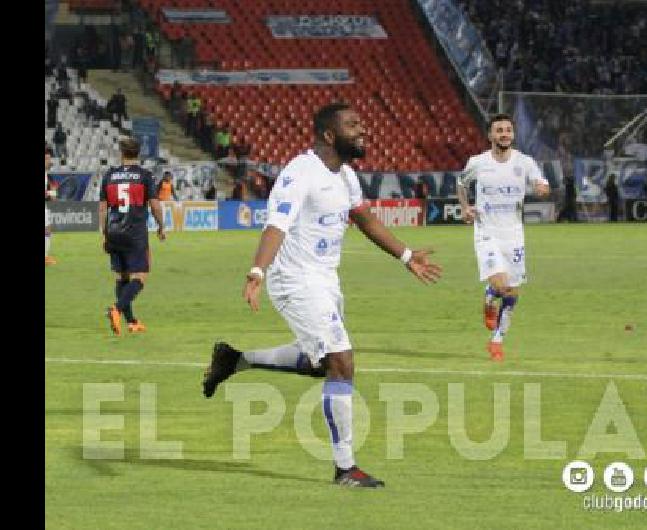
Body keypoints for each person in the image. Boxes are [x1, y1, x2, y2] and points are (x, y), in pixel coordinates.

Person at [201, 103, 442, 488]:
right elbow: (276, 225)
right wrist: (256, 271)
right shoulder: (300, 174)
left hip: (325, 280)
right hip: (295, 279)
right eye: (352, 125)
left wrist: (407, 256)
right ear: (329, 135)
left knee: (321, 365)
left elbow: (363, 218)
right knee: (341, 362)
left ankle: (235, 360)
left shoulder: (345, 174)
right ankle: (345, 468)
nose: (362, 130)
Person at [456, 113, 549, 361]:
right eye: (499, 130)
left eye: (508, 130)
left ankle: (496, 338)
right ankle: (491, 293)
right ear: (490, 135)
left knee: (512, 292)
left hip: (514, 235)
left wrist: (542, 189)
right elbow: (461, 183)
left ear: (513, 134)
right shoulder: (477, 162)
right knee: (502, 284)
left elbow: (542, 183)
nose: (504, 134)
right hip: (487, 232)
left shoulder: (525, 162)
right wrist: (465, 208)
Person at [99, 138, 166, 336]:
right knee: (140, 277)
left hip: (113, 231)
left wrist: (104, 234)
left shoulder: (109, 176)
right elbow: (154, 205)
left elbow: (102, 208)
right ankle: (117, 309)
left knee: (122, 277)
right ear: (139, 153)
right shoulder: (145, 176)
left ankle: (131, 321)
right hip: (134, 233)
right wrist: (161, 226)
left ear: (121, 153)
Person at [45, 148, 58, 266]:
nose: (49, 161)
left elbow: (53, 199)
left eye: (49, 158)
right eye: (47, 159)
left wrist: (53, 192)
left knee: (47, 230)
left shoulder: (47, 176)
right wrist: (51, 192)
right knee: (47, 230)